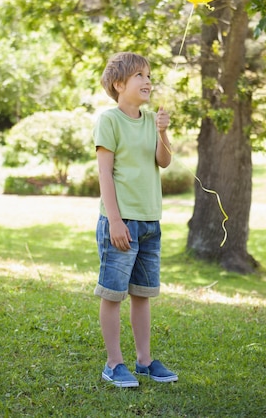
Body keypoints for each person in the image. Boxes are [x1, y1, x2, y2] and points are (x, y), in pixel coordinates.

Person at [93, 51, 178, 388]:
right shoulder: (109, 121)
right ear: (119, 84)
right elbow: (105, 175)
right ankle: (114, 363)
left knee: (142, 294)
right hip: (121, 221)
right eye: (140, 75)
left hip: (149, 223)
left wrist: (163, 132)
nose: (148, 81)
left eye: (149, 75)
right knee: (113, 294)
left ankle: (144, 361)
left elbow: (164, 161)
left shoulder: (149, 120)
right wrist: (114, 221)